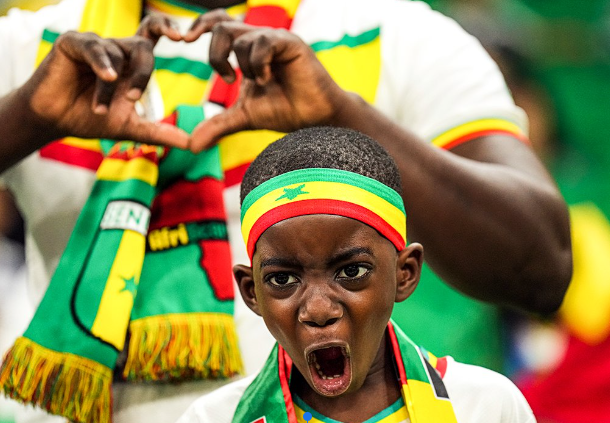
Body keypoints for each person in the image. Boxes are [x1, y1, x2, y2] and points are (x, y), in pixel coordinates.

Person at [0, 0, 571, 422]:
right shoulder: (32, 47)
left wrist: (345, 117)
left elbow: (542, 264)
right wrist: (27, 116)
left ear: (406, 274)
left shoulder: (394, 34)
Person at [176, 125, 536, 423]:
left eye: (352, 271)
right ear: (251, 291)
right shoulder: (214, 418)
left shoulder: (485, 407)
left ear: (405, 273)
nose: (317, 310)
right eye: (283, 280)